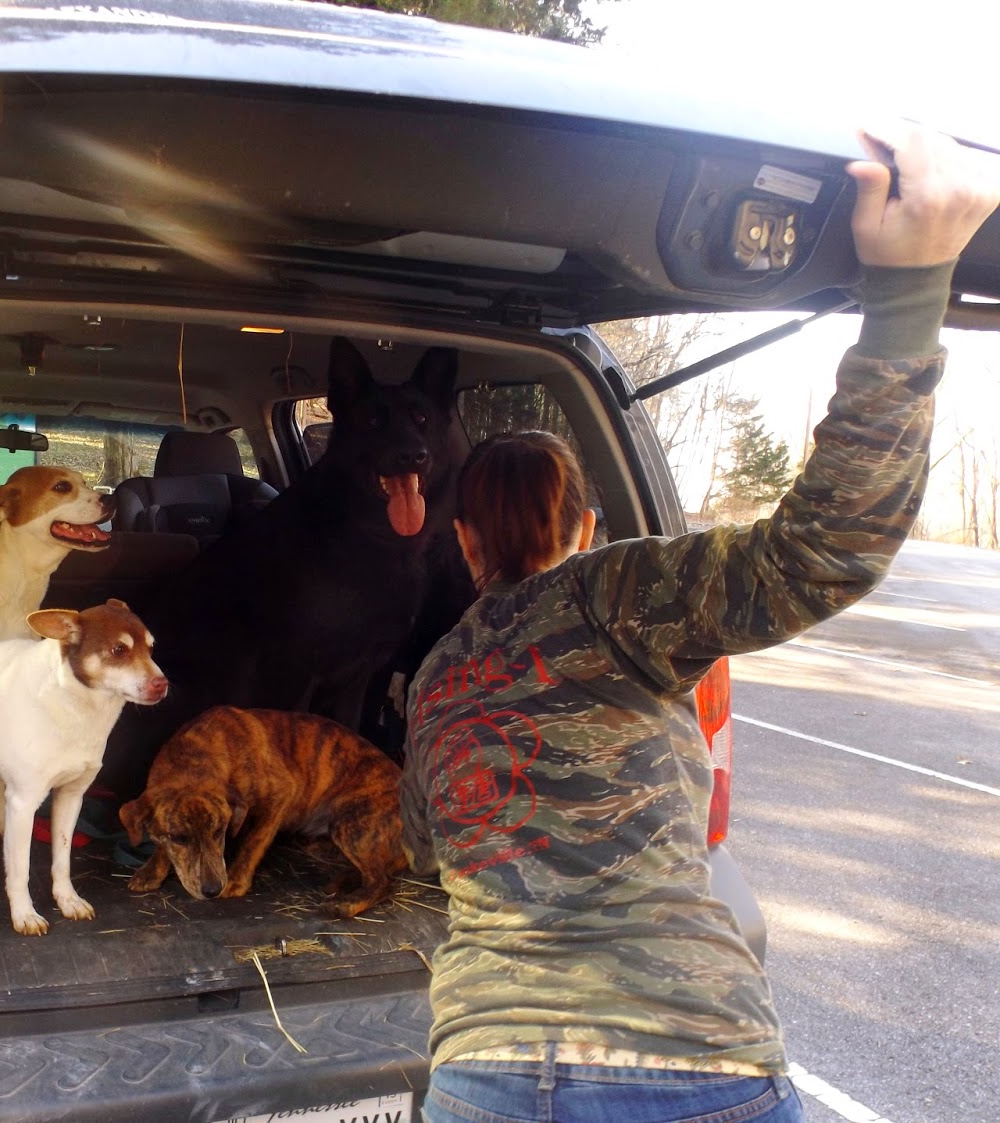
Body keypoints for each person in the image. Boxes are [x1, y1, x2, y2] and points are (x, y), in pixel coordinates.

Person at [400, 122, 999, 1123]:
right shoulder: (619, 590)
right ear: (586, 527)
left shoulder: (432, 680)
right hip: (683, 1056)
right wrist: (905, 294)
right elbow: (819, 551)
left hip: (484, 1069)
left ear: (463, 543)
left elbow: (424, 850)